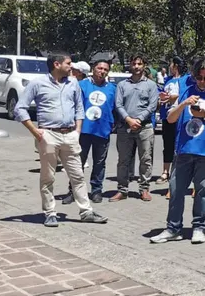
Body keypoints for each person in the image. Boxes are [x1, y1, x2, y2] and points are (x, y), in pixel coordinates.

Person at [15, 51, 108, 227]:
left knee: (78, 175)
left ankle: (86, 211)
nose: (71, 67)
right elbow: (20, 109)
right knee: (48, 176)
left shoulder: (73, 82)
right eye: (68, 63)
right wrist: (35, 131)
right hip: (48, 134)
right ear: (56, 65)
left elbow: (79, 107)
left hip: (70, 135)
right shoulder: (37, 83)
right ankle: (50, 212)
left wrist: (77, 130)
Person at [151, 56, 205, 244]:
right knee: (176, 189)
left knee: (202, 190)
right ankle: (173, 228)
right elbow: (170, 119)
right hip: (184, 149)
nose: (202, 82)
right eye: (199, 77)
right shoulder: (185, 90)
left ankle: (199, 227)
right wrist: (183, 104)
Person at [111, 55, 158, 202]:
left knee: (146, 159)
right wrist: (129, 119)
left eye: (139, 64)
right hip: (125, 128)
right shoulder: (122, 85)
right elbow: (118, 104)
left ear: (144, 65)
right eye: (134, 64)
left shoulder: (151, 85)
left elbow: (152, 105)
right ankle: (122, 190)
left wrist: (138, 119)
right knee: (123, 160)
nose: (136, 66)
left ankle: (144, 189)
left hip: (145, 128)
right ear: (130, 65)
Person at [70, 59, 116, 204]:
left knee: (99, 163)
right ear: (93, 69)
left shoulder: (113, 88)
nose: (102, 71)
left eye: (105, 70)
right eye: (99, 68)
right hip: (83, 130)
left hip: (102, 131)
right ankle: (73, 191)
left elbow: (117, 108)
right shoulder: (81, 85)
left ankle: (96, 190)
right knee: (78, 162)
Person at [157, 57, 185, 184]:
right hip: (166, 115)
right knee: (167, 144)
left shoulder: (185, 79)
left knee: (178, 144)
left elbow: (183, 94)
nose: (169, 66)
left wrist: (171, 97)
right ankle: (165, 171)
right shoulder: (167, 80)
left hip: (179, 116)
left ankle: (178, 171)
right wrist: (162, 98)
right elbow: (163, 93)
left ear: (177, 65)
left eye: (171, 64)